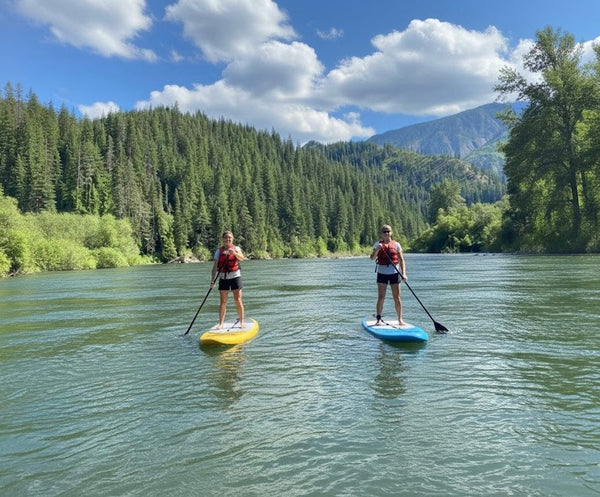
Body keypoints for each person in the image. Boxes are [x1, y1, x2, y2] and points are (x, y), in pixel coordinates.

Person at [369, 224, 407, 326]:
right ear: (381, 233)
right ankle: (378, 319)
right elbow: (372, 258)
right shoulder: (377, 244)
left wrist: (404, 274)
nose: (386, 233)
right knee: (381, 297)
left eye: (388, 231)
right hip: (382, 273)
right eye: (384, 231)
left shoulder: (397, 245)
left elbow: (401, 260)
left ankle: (400, 319)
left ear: (391, 232)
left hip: (395, 273)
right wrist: (377, 249)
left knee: (397, 297)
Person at [211, 231, 245, 328]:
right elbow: (214, 267)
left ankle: (242, 321)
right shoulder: (218, 251)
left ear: (232, 239)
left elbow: (242, 258)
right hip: (223, 277)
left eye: (229, 237)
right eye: (226, 237)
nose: (228, 239)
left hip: (235, 276)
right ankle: (221, 323)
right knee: (223, 301)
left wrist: (234, 253)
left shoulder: (236, 248)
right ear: (223, 239)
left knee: (238, 300)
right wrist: (212, 280)